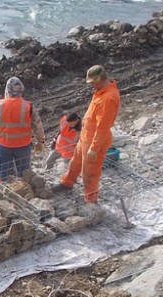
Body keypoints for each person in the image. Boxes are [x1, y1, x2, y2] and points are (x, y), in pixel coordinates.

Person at [57, 65, 121, 203]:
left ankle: (91, 200)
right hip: (86, 137)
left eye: (92, 82)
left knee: (89, 173)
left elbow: (103, 127)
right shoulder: (100, 92)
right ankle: (67, 183)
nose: (91, 84)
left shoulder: (108, 98)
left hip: (94, 141)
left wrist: (94, 148)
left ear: (99, 79)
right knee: (75, 163)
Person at [0, 76, 46, 181]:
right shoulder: (28, 106)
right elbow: (37, 126)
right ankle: (24, 190)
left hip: (4, 145)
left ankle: (3, 192)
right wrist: (40, 142)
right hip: (23, 145)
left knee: (2, 173)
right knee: (24, 173)